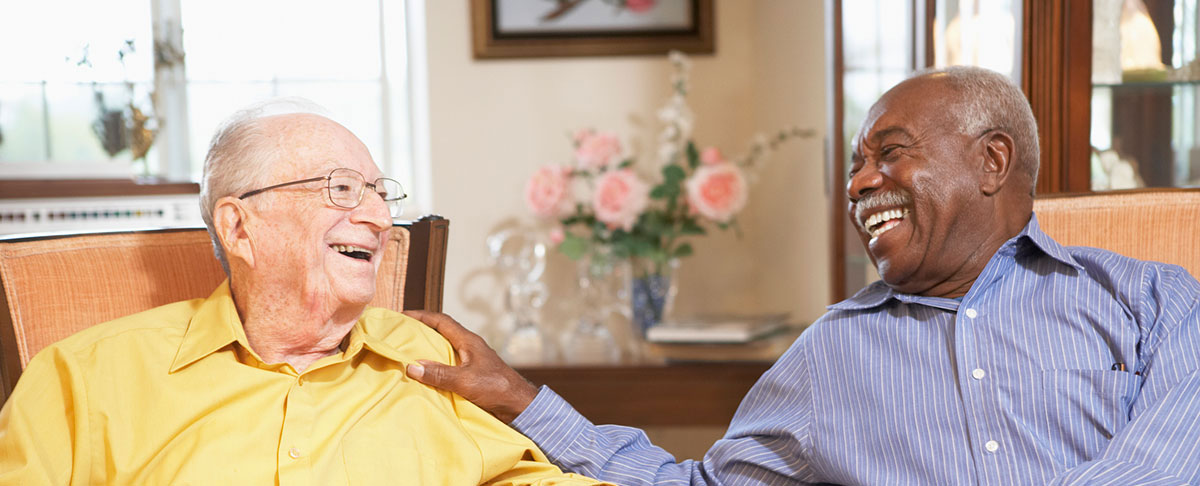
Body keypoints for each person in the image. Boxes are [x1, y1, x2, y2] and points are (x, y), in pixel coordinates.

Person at [404, 66, 1200, 485]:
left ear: (992, 161)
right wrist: (523, 400)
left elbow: (1169, 464)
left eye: (890, 153)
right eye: (855, 166)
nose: (857, 185)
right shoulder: (831, 355)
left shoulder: (1155, 301)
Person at [0, 102, 606, 485]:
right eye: (342, 189)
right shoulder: (85, 376)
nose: (379, 218)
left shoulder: (432, 358)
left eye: (379, 193)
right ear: (240, 227)